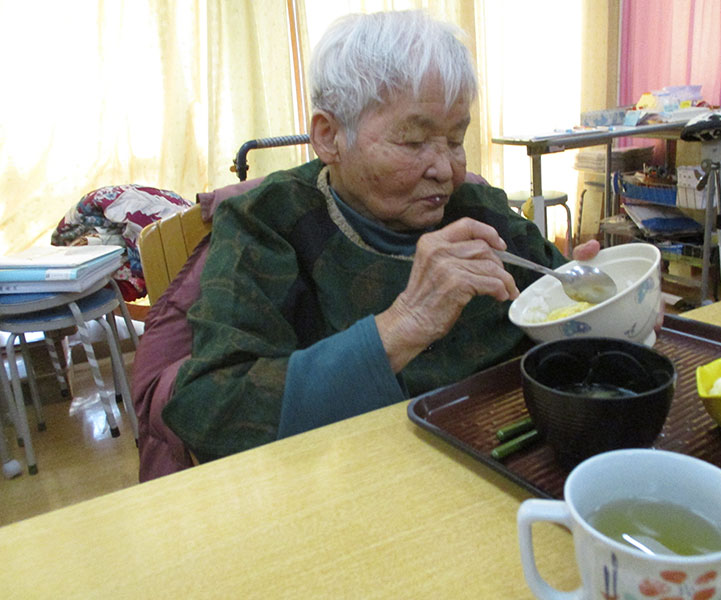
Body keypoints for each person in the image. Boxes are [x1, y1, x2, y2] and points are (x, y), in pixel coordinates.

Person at [161, 10, 599, 463]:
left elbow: (564, 310)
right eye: (413, 142)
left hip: (509, 457)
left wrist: (599, 304)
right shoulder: (267, 224)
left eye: (455, 139)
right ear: (329, 137)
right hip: (353, 481)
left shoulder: (479, 210)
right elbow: (212, 410)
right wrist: (402, 325)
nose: (446, 169)